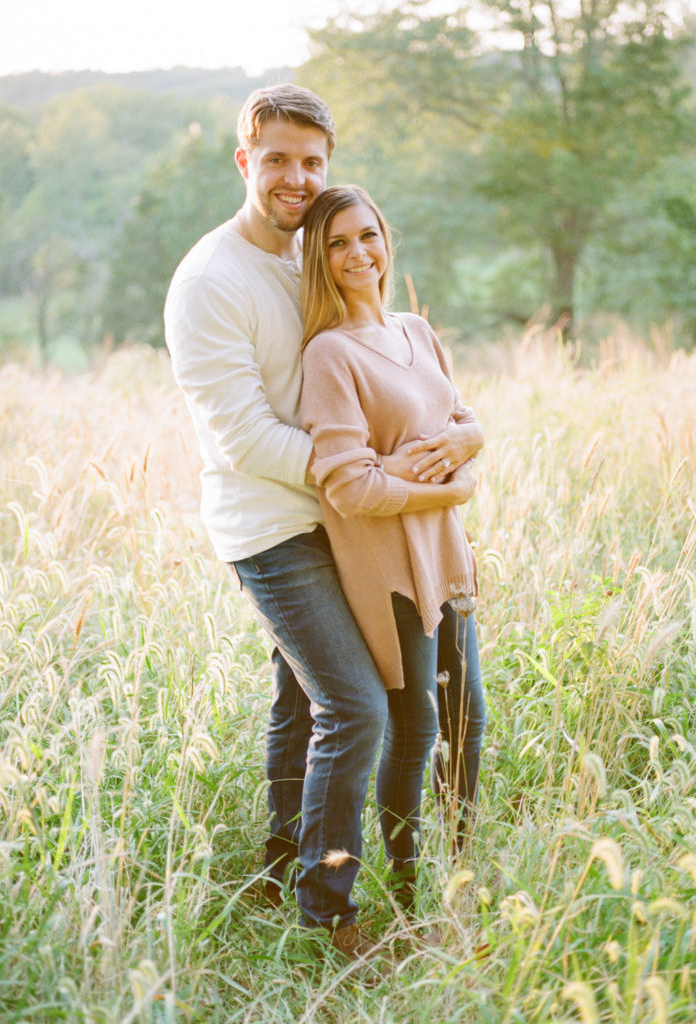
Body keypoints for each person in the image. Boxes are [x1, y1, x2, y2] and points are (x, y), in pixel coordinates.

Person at [164, 85, 480, 966]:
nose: (296, 178)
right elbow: (240, 435)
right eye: (277, 160)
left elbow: (382, 372)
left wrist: (436, 445)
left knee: (304, 698)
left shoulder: (314, 249)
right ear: (244, 162)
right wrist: (366, 476)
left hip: (349, 521)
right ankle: (325, 911)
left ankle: (277, 865)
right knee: (355, 704)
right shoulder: (210, 281)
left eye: (312, 162)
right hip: (273, 526)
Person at [299, 184, 487, 897]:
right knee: (415, 728)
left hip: (447, 557)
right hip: (390, 569)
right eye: (337, 244)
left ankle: (457, 864)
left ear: (385, 240)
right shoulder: (328, 355)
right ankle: (409, 884)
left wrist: (470, 438)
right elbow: (349, 488)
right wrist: (450, 486)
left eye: (366, 236)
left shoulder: (414, 329)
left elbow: (461, 416)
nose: (357, 254)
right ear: (320, 259)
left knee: (469, 720)